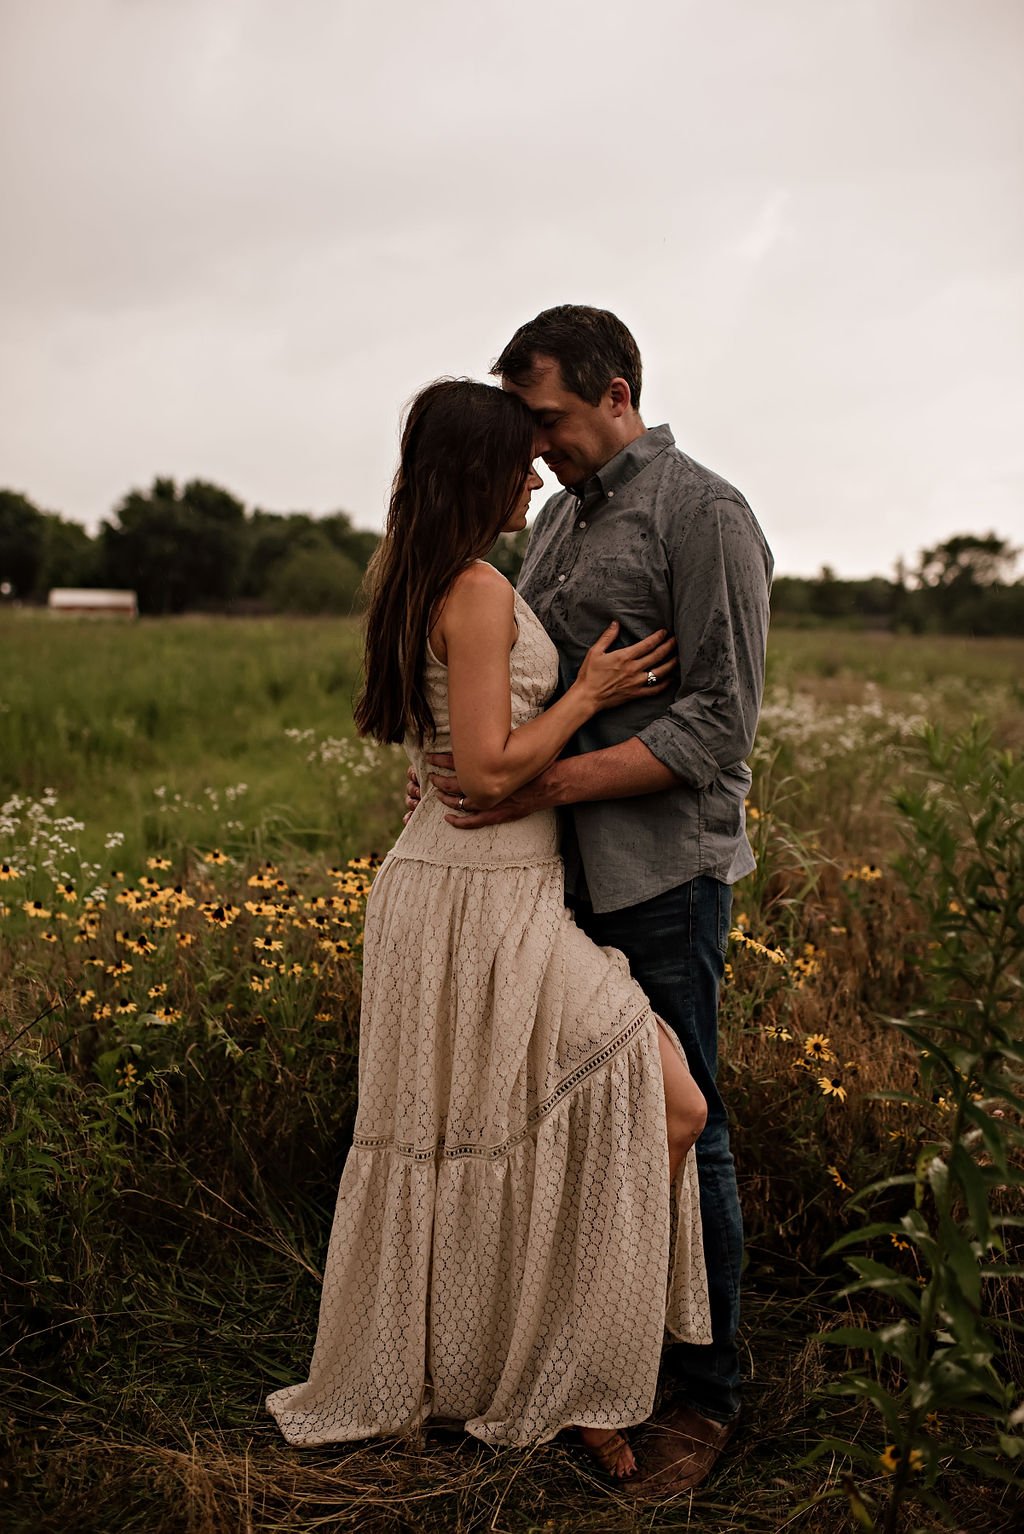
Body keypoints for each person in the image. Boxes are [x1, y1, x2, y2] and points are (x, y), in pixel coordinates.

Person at [266, 377, 712, 1484]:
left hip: (491, 892)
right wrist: (590, 686)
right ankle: (561, 1378)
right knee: (647, 1105)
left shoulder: (446, 578)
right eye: (516, 460)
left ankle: (557, 1367)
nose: (533, 475)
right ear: (478, 472)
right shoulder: (467, 588)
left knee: (625, 1112)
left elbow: (450, 758)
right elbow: (485, 767)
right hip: (472, 897)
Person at [418, 307, 774, 1493]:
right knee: (572, 1121)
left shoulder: (704, 512)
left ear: (615, 391)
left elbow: (719, 723)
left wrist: (542, 777)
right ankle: (579, 1362)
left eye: (552, 419)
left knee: (690, 1124)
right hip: (547, 879)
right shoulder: (561, 515)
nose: (536, 445)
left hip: (661, 875)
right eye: (524, 424)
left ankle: (703, 1398)